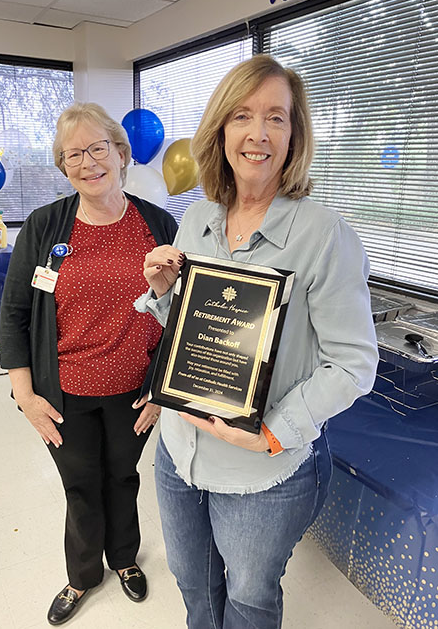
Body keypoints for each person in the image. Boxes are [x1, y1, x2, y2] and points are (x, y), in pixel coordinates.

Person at [136, 55, 379, 629]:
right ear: (221, 129)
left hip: (261, 473)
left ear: (295, 135)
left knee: (247, 601)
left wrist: (273, 432)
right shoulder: (197, 218)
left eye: (277, 117)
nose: (258, 133)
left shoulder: (324, 235)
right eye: (243, 115)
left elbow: (353, 365)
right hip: (180, 450)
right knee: (194, 586)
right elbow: (200, 333)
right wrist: (164, 292)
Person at [0, 102, 177, 626]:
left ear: (121, 154)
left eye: (98, 148)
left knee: (123, 476)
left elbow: (184, 313)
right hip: (64, 392)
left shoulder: (157, 222)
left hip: (134, 389)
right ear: (63, 166)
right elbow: (15, 315)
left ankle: (123, 560)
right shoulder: (43, 226)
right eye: (73, 154)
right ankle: (82, 576)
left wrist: (164, 388)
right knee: (80, 482)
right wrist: (26, 396)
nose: (87, 162)